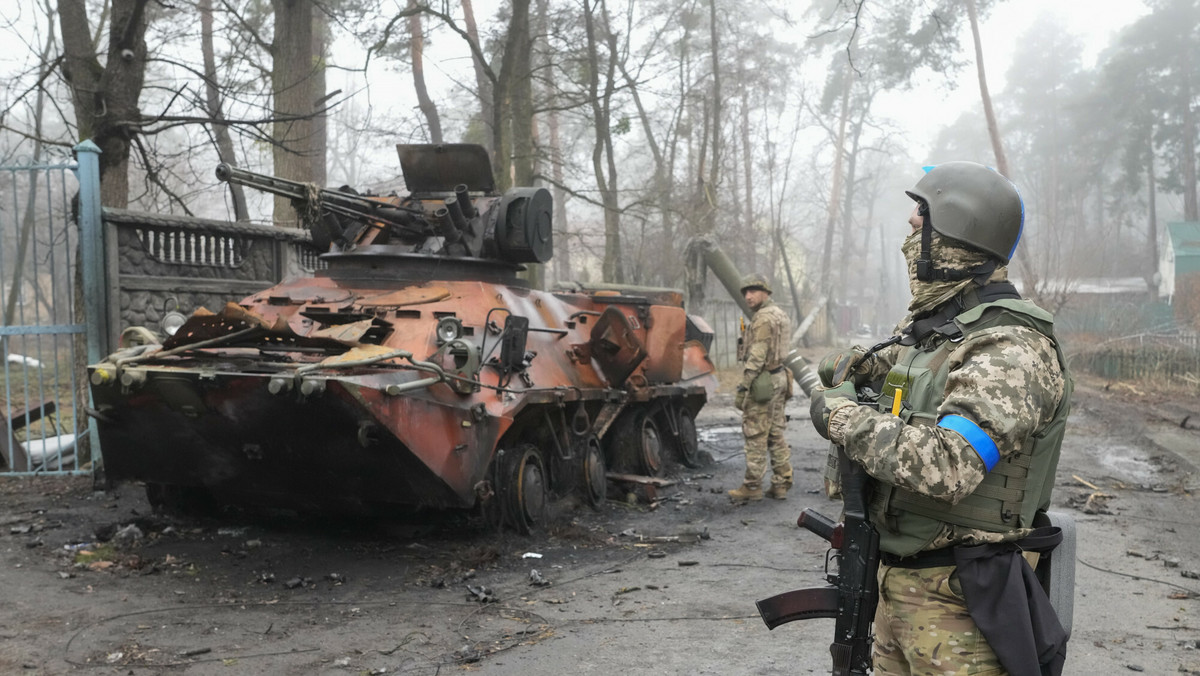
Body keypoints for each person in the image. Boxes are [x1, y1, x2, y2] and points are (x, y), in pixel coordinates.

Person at [809, 161, 1073, 676]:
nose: (910, 227)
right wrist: (854, 368)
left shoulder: (1010, 347)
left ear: (959, 235)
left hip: (961, 606)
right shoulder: (937, 333)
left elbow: (949, 466)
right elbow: (888, 374)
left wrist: (842, 418)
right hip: (898, 589)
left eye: (922, 219)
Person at [729, 273, 793, 502]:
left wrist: (743, 388)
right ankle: (781, 483)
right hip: (779, 377)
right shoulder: (780, 314)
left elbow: (757, 357)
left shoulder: (763, 318)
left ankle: (752, 486)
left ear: (766, 292)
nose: (748, 295)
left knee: (755, 432)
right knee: (776, 432)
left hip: (763, 381)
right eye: (745, 292)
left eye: (753, 290)